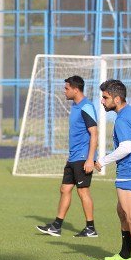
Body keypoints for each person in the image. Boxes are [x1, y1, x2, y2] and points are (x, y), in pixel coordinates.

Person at [37, 75, 99, 238]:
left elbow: (94, 133)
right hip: (73, 157)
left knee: (83, 191)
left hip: (82, 157)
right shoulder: (75, 106)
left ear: (75, 89)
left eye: (66, 88)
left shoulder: (87, 107)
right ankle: (56, 226)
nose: (64, 91)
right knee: (64, 189)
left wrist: (90, 158)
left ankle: (90, 228)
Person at [95, 80, 131, 260]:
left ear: (117, 99)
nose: (102, 101)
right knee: (121, 212)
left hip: (129, 173)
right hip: (130, 172)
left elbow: (127, 147)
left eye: (105, 97)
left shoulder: (122, 119)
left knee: (130, 216)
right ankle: (125, 255)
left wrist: (103, 161)